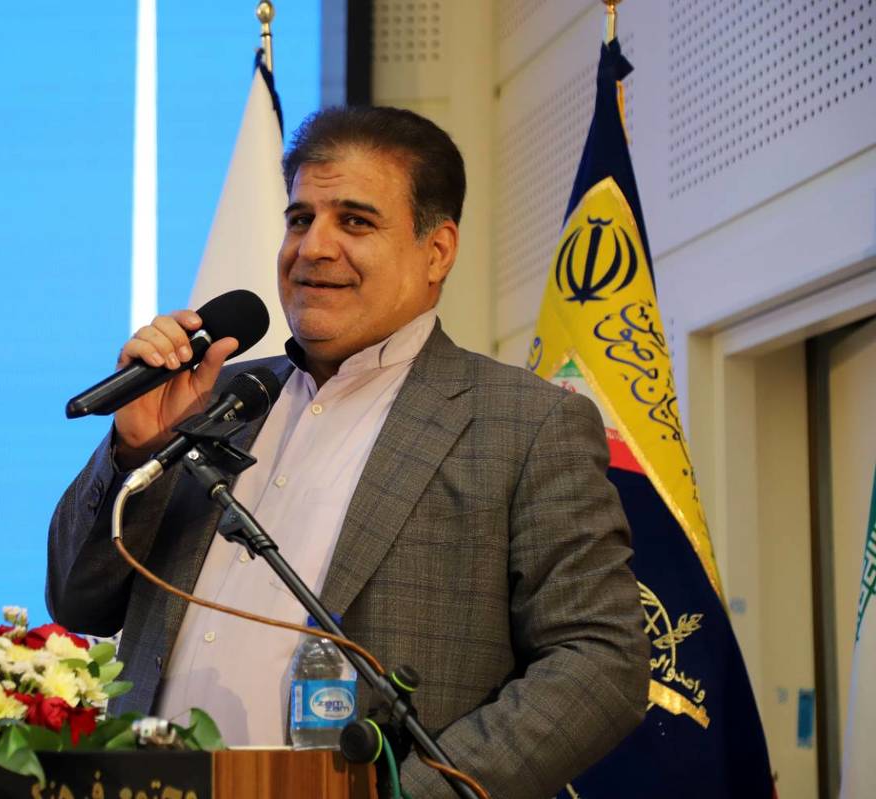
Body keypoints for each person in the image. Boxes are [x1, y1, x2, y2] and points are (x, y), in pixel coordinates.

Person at [47, 106, 649, 798]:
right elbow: (78, 600)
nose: (313, 247)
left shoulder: (524, 424)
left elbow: (600, 662)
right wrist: (137, 449)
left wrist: (412, 794)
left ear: (437, 250)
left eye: (355, 222)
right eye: (300, 219)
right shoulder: (216, 397)